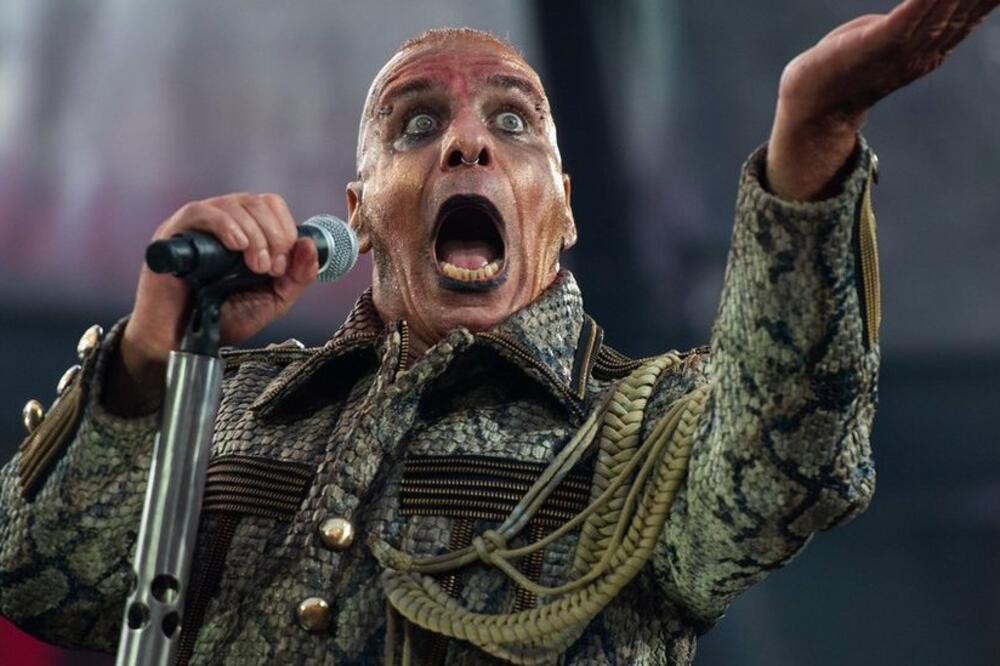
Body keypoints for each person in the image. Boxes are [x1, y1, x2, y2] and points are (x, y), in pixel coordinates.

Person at [1, 2, 996, 664]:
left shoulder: (649, 429)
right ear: (359, 213)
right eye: (415, 124)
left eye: (514, 123)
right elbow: (41, 581)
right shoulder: (228, 404)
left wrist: (812, 135)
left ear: (563, 208)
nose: (468, 140)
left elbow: (790, 462)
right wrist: (148, 356)